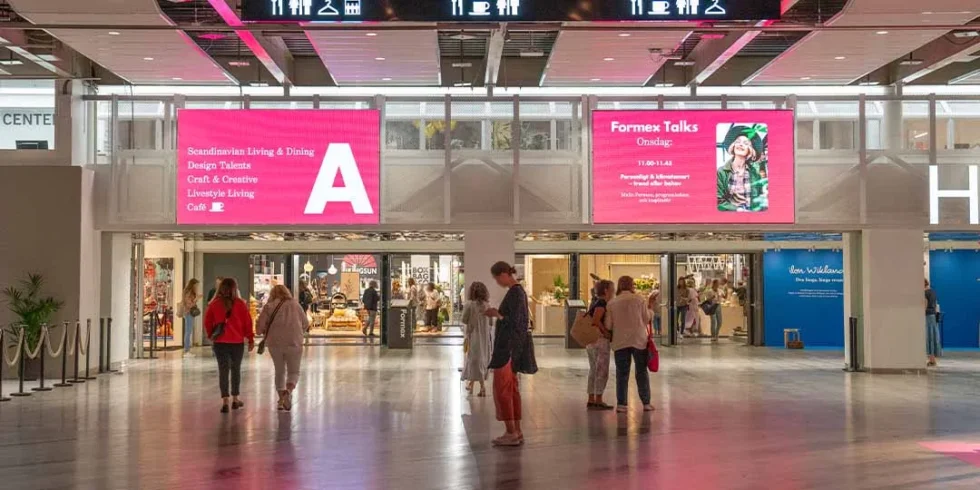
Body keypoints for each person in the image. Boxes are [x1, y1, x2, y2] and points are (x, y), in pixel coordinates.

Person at [485, 261, 529, 446]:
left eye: (497, 278)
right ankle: (516, 430)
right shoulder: (519, 292)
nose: (497, 282)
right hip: (513, 347)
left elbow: (516, 321)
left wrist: (498, 314)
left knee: (503, 390)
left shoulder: (515, 293)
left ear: (504, 274)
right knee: (511, 390)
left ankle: (511, 431)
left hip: (507, 348)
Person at [204, 278, 255, 413]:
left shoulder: (214, 304)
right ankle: (235, 398)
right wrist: (250, 339)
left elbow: (207, 322)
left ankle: (225, 400)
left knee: (223, 370)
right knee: (236, 369)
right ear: (234, 289)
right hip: (237, 343)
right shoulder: (240, 304)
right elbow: (247, 323)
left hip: (220, 343)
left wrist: (211, 335)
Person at [256, 285, 309, 411]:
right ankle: (288, 393)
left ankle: (281, 399)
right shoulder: (296, 305)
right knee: (294, 372)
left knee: (279, 370)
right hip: (294, 343)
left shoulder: (269, 307)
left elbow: (259, 329)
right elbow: (306, 323)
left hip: (275, 344)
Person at [606, 276, 654, 413]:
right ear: (632, 285)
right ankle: (646, 403)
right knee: (641, 372)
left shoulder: (612, 303)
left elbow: (608, 325)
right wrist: (651, 309)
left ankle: (622, 404)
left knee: (622, 373)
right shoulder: (639, 299)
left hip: (620, 341)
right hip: (639, 340)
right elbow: (646, 319)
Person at [717, 125, 767, 212]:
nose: (740, 144)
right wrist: (738, 210)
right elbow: (718, 201)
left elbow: (760, 202)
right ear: (733, 146)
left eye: (746, 143)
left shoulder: (755, 175)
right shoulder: (721, 172)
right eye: (738, 141)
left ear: (751, 150)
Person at [586, 279, 614, 410]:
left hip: (590, 340)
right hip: (600, 340)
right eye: (612, 289)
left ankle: (591, 398)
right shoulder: (602, 303)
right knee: (601, 370)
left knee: (593, 370)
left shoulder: (594, 301)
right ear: (606, 290)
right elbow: (596, 320)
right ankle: (598, 399)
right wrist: (606, 332)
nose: (614, 291)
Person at [461, 282, 492, 397]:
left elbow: (464, 320)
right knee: (481, 360)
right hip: (485, 338)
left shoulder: (469, 305)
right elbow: (491, 322)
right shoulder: (487, 305)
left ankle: (479, 387)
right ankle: (472, 385)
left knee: (474, 360)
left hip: (474, 335)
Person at [178, 278, 200, 357]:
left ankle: (187, 350)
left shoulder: (188, 291)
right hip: (188, 313)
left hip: (188, 313)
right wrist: (196, 299)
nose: (197, 287)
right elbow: (188, 304)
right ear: (193, 285)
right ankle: (186, 350)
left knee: (188, 331)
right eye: (197, 285)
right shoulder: (189, 292)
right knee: (188, 331)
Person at [925, 279, 940, 367]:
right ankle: (932, 360)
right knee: (933, 337)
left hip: (927, 316)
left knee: (929, 337)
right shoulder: (933, 292)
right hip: (933, 316)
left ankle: (931, 360)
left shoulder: (925, 293)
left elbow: (925, 305)